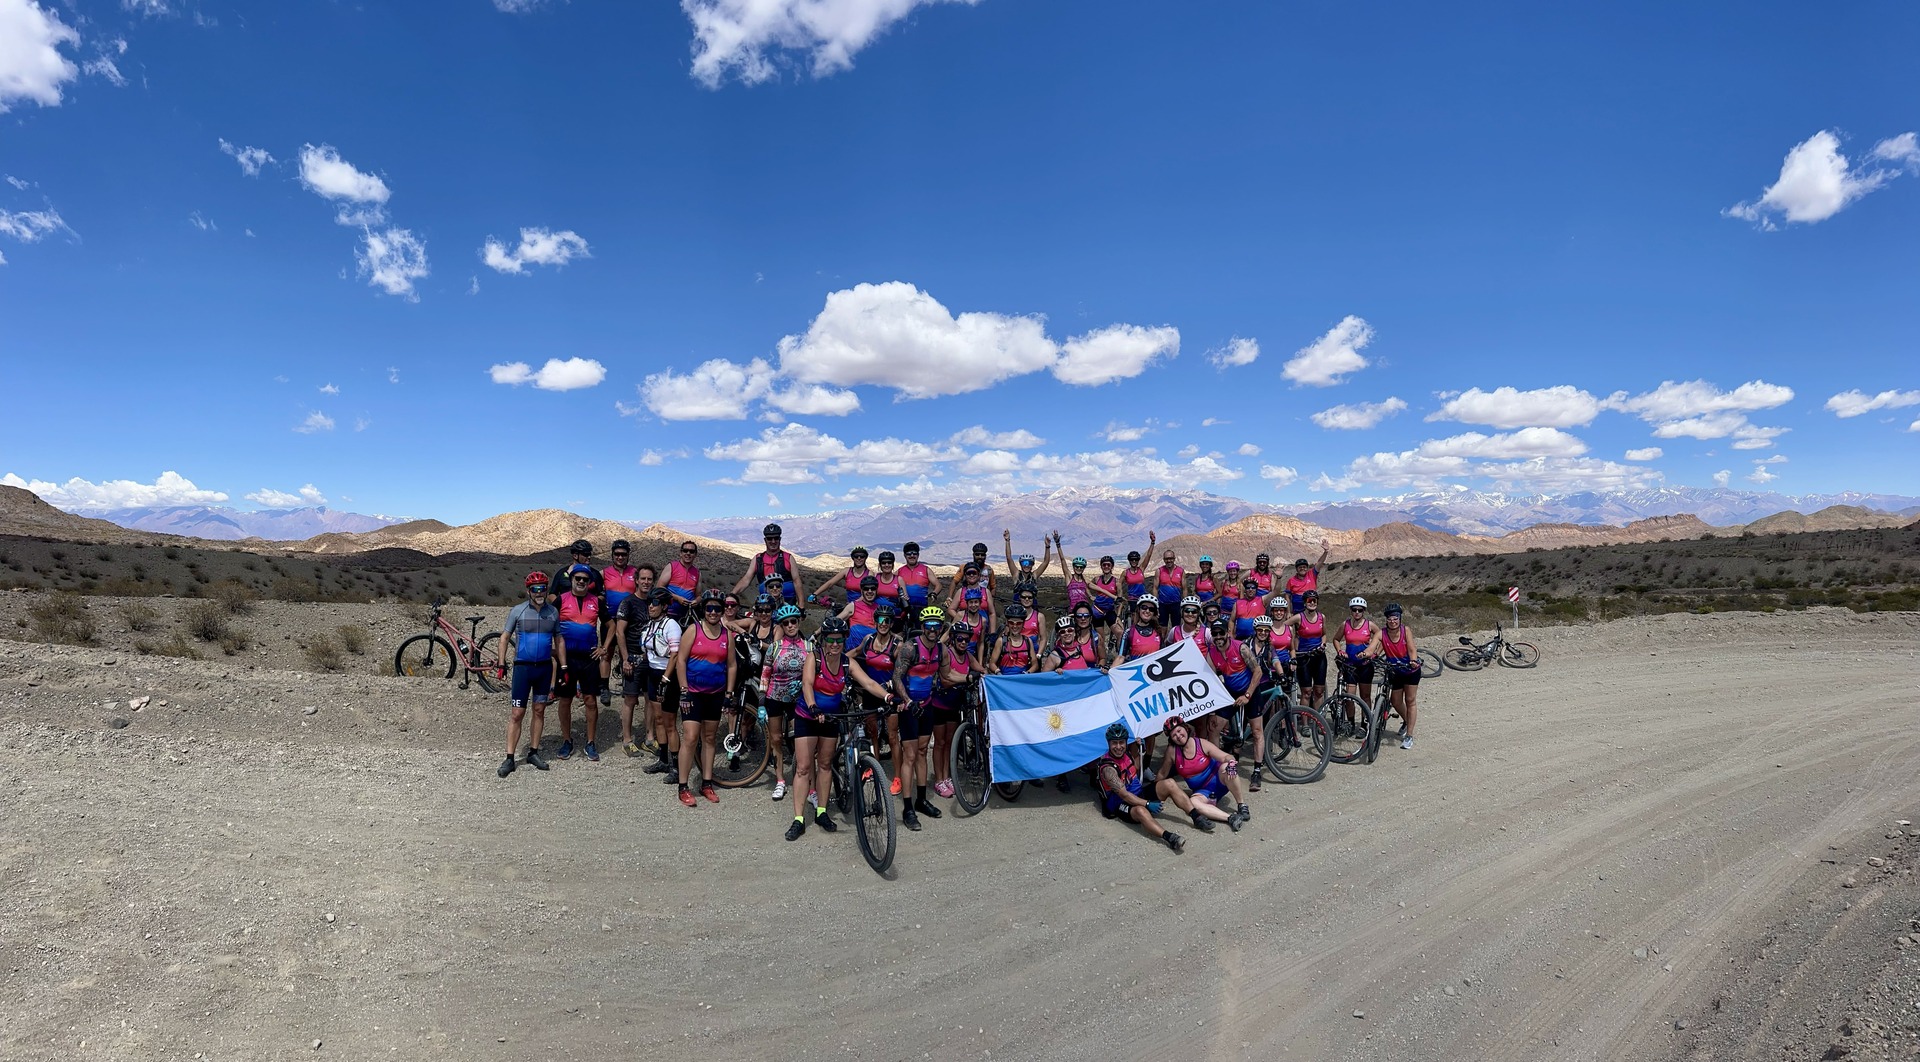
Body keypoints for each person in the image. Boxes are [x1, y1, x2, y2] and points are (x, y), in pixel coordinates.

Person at [789, 616, 898, 839]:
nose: (835, 644)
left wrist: (887, 696)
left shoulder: (847, 663)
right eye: (831, 639)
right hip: (808, 716)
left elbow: (868, 683)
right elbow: (807, 684)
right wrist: (813, 706)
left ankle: (821, 811)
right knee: (803, 767)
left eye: (839, 640)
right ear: (824, 640)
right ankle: (798, 819)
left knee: (825, 764)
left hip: (831, 717)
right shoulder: (814, 658)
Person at [673, 593, 738, 807]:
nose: (713, 612)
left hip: (716, 693)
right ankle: (683, 786)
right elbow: (681, 660)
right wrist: (684, 689)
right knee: (691, 738)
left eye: (717, 609)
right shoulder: (694, 630)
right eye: (709, 608)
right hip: (693, 693)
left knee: (710, 738)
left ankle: (707, 783)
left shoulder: (727, 635)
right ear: (704, 610)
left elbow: (731, 665)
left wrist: (729, 693)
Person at [892, 606, 953, 830]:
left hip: (927, 705)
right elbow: (896, 677)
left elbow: (946, 676)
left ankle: (921, 799)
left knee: (922, 751)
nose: (933, 630)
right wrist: (908, 702)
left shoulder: (942, 650)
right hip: (910, 706)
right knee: (909, 755)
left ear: (941, 628)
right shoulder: (910, 648)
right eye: (929, 626)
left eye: (937, 626)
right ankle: (908, 807)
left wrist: (971, 676)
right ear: (922, 627)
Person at [500, 571, 563, 777]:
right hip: (523, 668)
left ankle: (533, 753)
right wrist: (501, 663)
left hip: (544, 668)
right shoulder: (517, 611)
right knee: (517, 713)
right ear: (528, 591)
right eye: (535, 589)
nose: (539, 592)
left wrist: (564, 667)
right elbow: (504, 637)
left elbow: (559, 640)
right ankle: (510, 758)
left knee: (539, 710)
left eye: (542, 588)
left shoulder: (553, 612)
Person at [1095, 723, 1183, 852]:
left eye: (1121, 742)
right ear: (1109, 744)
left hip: (1137, 792)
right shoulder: (1108, 769)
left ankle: (1196, 815)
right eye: (1114, 743)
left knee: (1169, 783)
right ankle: (1169, 837)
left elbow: (1135, 768)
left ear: (1126, 742)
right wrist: (1147, 803)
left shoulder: (1126, 754)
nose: (1118, 747)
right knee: (1141, 811)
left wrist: (1140, 750)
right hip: (1120, 803)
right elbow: (1124, 795)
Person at [551, 563, 608, 761]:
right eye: (578, 578)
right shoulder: (561, 599)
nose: (581, 581)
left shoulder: (596, 601)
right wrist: (550, 647)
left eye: (585, 579)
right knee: (565, 700)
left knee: (590, 700)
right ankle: (567, 740)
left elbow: (611, 624)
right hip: (567, 658)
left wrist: (604, 647)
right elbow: (548, 622)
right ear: (572, 580)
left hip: (589, 658)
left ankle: (590, 742)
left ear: (589, 582)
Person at [1154, 715, 1247, 832]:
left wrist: (1231, 763)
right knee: (1193, 803)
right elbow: (1163, 773)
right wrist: (1154, 790)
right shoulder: (1172, 752)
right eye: (1174, 735)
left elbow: (1225, 757)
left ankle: (1242, 805)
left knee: (1227, 767)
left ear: (1185, 728)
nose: (1178, 736)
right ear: (1171, 739)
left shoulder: (1201, 743)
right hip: (1203, 792)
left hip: (1219, 781)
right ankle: (1230, 818)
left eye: (1179, 730)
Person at [847, 603, 903, 795]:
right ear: (875, 621)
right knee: (873, 734)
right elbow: (854, 653)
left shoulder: (897, 644)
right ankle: (874, 767)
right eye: (880, 619)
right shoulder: (868, 640)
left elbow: (903, 671)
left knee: (893, 736)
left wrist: (892, 684)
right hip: (870, 693)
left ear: (891, 623)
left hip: (890, 694)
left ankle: (897, 777)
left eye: (887, 620)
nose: (883, 623)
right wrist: (836, 661)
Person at [615, 586, 677, 760]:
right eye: (650, 602)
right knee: (634, 701)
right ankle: (630, 742)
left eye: (655, 602)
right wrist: (627, 659)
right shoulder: (648, 622)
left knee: (661, 714)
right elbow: (622, 633)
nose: (651, 605)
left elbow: (675, 654)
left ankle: (661, 751)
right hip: (644, 665)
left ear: (664, 606)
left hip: (662, 673)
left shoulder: (670, 624)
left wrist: (666, 678)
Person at [734, 594, 785, 796]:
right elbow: (729, 624)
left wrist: (757, 643)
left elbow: (776, 648)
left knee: (772, 716)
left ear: (772, 611)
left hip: (770, 673)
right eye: (760, 610)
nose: (764, 614)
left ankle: (774, 751)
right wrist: (743, 633)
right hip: (753, 672)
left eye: (767, 610)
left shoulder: (777, 628)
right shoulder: (752, 623)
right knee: (747, 715)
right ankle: (737, 750)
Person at [758, 604, 808, 803]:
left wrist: (804, 684)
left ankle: (805, 779)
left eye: (793, 621)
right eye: (785, 623)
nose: (790, 625)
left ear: (799, 622)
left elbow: (815, 674)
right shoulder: (775, 647)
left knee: (802, 740)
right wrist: (761, 703)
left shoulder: (809, 647)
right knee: (776, 739)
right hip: (775, 697)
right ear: (781, 625)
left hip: (799, 699)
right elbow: (765, 675)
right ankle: (780, 780)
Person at [927, 619, 979, 803]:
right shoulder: (946, 654)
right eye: (960, 639)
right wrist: (968, 678)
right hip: (940, 704)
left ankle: (948, 777)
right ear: (953, 639)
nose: (963, 642)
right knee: (940, 743)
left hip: (955, 705)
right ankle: (939, 779)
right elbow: (946, 678)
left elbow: (981, 670)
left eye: (966, 640)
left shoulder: (968, 656)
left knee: (950, 742)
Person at [1198, 618, 1258, 746]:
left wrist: (1247, 695)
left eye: (1221, 632)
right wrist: (1213, 711)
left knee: (1257, 731)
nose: (1218, 636)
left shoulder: (1241, 648)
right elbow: (1212, 681)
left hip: (1249, 691)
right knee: (1213, 728)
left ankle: (1258, 760)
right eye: (1215, 634)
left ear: (1228, 632)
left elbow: (1258, 672)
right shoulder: (1211, 654)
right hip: (1230, 692)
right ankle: (1218, 758)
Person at [1371, 602, 1421, 750]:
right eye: (1390, 619)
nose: (1392, 621)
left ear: (1399, 618)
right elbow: (1372, 647)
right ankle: (1407, 720)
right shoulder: (1382, 633)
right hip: (1395, 670)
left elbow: (1412, 649)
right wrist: (1365, 654)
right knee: (1396, 701)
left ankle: (1409, 735)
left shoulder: (1406, 630)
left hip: (1410, 670)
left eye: (1395, 618)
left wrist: (1413, 660)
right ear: (1386, 619)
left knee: (1410, 700)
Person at [597, 540, 641, 706]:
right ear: (612, 555)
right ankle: (604, 688)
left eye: (623, 554)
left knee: (627, 654)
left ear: (628, 555)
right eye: (617, 554)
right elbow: (592, 591)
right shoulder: (604, 573)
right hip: (610, 620)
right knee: (606, 653)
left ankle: (628, 687)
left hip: (630, 620)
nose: (620, 557)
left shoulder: (635, 572)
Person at [733, 523, 799, 605]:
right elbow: (746, 580)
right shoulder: (758, 559)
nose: (773, 541)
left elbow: (797, 582)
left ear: (780, 539)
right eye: (770, 539)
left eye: (776, 538)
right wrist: (732, 595)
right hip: (765, 606)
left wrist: (801, 605)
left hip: (788, 605)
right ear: (765, 540)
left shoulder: (788, 558)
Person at [1339, 596, 1379, 713]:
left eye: (1360, 610)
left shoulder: (1370, 625)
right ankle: (1350, 721)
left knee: (1365, 696)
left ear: (1364, 611)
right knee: (1349, 697)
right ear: (1351, 610)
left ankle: (1365, 722)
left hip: (1365, 665)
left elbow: (1382, 637)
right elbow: (1336, 639)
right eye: (1354, 609)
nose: (1357, 612)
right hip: (1350, 665)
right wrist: (1340, 650)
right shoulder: (1345, 624)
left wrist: (1376, 653)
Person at [808, 546, 872, 610]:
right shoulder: (846, 571)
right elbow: (830, 583)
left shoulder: (869, 574)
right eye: (856, 556)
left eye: (862, 556)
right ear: (853, 558)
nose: (859, 558)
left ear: (865, 558)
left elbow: (868, 593)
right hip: (849, 606)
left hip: (864, 606)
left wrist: (854, 603)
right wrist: (814, 594)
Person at [989, 603, 1038, 675]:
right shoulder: (1001, 641)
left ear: (1023, 623)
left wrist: (1028, 673)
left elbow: (1035, 664)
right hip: (1005, 678)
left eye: (1018, 623)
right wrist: (998, 672)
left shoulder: (1028, 641)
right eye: (1011, 623)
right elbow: (992, 663)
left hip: (1022, 678)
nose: (1015, 626)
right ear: (1007, 623)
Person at [838, 576, 883, 651]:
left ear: (876, 590)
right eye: (866, 589)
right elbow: (834, 621)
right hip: (853, 650)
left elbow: (884, 628)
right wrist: (817, 633)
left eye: (873, 588)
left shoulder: (879, 609)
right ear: (862, 591)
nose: (869, 591)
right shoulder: (853, 606)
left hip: (873, 651)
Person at [1285, 542, 1332, 613]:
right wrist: (1288, 612)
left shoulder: (1312, 574)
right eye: (1300, 567)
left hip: (1311, 607)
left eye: (1304, 567)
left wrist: (1326, 552)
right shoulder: (1291, 580)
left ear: (1307, 568)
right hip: (1297, 610)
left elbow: (1319, 562)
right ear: (1296, 569)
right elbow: (1287, 597)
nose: (1302, 569)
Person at [896, 541, 935, 624]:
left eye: (914, 553)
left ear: (918, 555)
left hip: (921, 608)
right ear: (904, 555)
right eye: (909, 554)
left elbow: (938, 585)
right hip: (904, 607)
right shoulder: (899, 571)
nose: (912, 556)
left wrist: (934, 593)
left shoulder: (926, 569)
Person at [664, 540, 701, 620]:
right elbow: (659, 588)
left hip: (687, 615)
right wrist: (677, 598)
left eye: (691, 551)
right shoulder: (672, 566)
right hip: (669, 613)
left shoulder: (697, 573)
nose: (688, 553)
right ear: (681, 553)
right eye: (685, 550)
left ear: (695, 555)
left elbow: (699, 595)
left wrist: (696, 601)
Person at [1089, 557, 1123, 629]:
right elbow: (1087, 586)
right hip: (1097, 610)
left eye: (1108, 565)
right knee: (1100, 635)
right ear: (1101, 566)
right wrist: (1090, 596)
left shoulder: (1117, 582)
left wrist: (1118, 615)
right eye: (1104, 565)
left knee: (1120, 632)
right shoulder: (1096, 579)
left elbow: (1120, 600)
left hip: (1110, 610)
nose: (1106, 567)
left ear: (1112, 566)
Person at [1152, 548, 1186, 614]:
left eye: (1171, 558)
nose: (1169, 561)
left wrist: (1185, 604)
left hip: (1176, 603)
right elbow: (1155, 588)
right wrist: (1155, 604)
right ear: (1164, 559)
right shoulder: (1159, 571)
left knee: (1176, 621)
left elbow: (1184, 589)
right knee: (1162, 621)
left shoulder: (1181, 571)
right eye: (1166, 559)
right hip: (1162, 604)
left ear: (1174, 559)